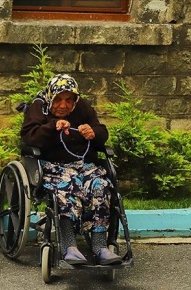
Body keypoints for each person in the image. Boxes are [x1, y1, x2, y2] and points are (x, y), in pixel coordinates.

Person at [19, 74, 122, 265]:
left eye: (69, 100)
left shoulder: (82, 107)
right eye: (58, 99)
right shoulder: (38, 108)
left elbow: (101, 131)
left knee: (100, 184)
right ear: (50, 97)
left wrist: (94, 133)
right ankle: (69, 245)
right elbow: (29, 137)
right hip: (53, 166)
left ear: (75, 100)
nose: (63, 105)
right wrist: (52, 127)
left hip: (84, 165)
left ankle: (100, 245)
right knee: (69, 186)